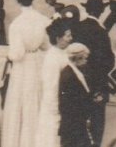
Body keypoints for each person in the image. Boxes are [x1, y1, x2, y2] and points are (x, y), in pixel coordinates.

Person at [2, 0, 51, 147]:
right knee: (35, 102)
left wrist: (8, 55)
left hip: (23, 67)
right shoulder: (43, 20)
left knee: (20, 104)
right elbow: (46, 45)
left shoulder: (17, 24)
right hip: (36, 63)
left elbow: (16, 54)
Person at [74, 0, 115, 146]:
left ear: (87, 9)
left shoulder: (77, 27)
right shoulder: (101, 32)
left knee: (79, 124)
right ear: (101, 12)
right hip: (97, 85)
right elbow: (108, 62)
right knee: (96, 126)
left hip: (78, 83)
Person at [37, 17, 74, 147]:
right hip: (53, 109)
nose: (70, 38)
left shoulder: (62, 53)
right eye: (67, 36)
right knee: (51, 140)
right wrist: (55, 111)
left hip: (62, 105)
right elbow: (50, 86)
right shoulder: (52, 58)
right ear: (58, 38)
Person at [59, 43, 95, 147]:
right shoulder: (69, 75)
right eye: (84, 58)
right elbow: (70, 103)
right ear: (77, 58)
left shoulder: (75, 71)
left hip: (76, 123)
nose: (86, 60)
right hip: (73, 124)